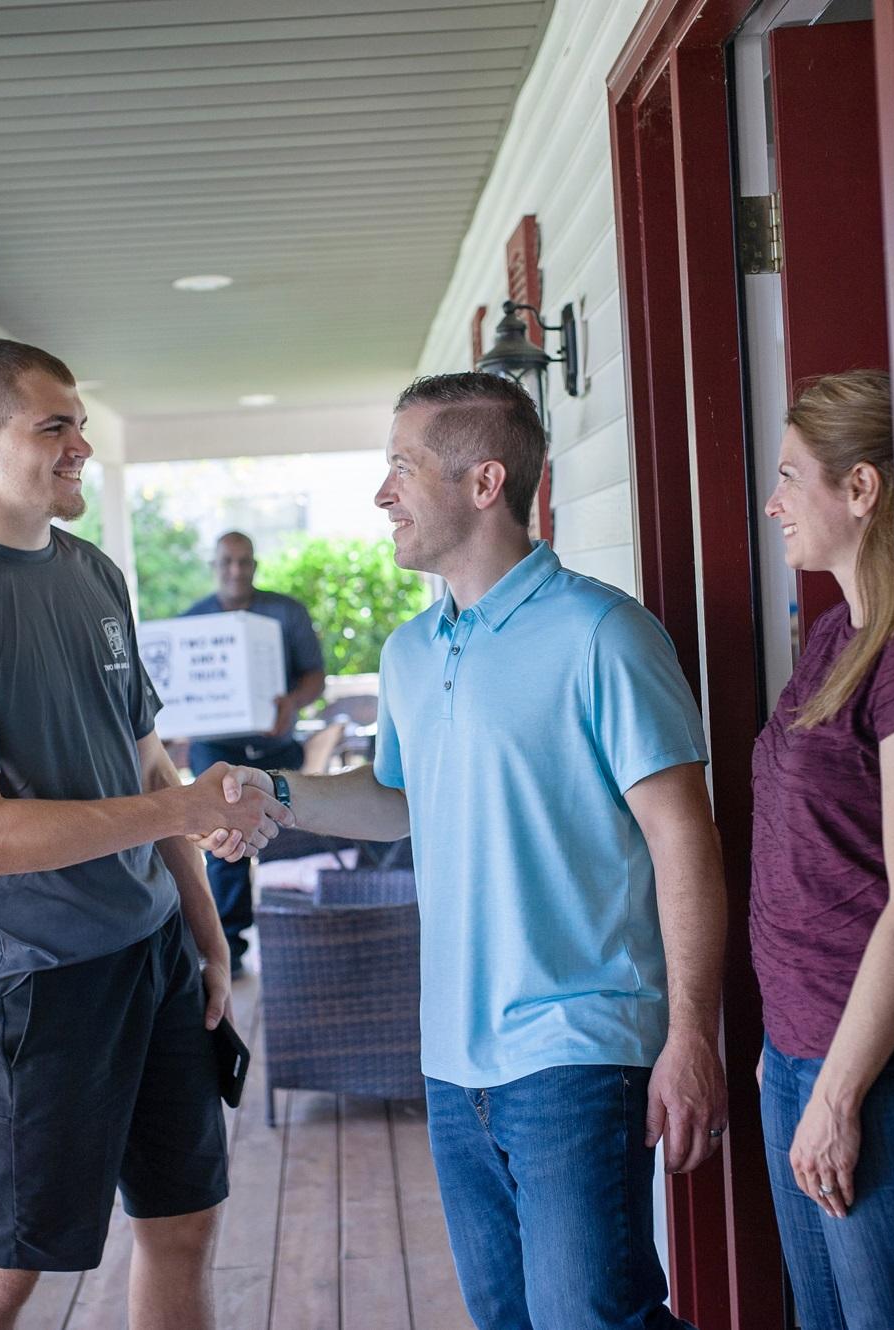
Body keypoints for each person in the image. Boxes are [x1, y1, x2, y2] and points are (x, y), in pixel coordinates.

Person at [216, 372, 729, 1329]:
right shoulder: (411, 652)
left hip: (579, 1045)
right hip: (452, 1057)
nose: (382, 496)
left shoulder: (604, 635)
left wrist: (693, 1035)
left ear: (483, 481)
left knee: (591, 1318)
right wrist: (272, 794)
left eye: (400, 470)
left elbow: (684, 841)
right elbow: (397, 804)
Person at [0, 339, 286, 1330]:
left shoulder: (94, 572)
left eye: (79, 424)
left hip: (155, 961)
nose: (80, 446)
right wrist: (183, 810)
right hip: (41, 981)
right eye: (53, 426)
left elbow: (146, 765)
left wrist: (206, 937)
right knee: (2, 1273)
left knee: (184, 1223)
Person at [753, 369, 894, 1328]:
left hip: (870, 1069)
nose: (774, 503)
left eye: (791, 477)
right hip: (796, 1050)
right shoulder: (833, 634)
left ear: (859, 490)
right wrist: (788, 1064)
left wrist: (838, 1095)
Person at [179, 531, 325, 973]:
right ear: (215, 565)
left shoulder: (287, 612)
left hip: (275, 745)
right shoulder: (192, 622)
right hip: (216, 750)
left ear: (255, 565)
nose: (236, 570)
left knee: (290, 829)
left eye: (244, 561)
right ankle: (230, 946)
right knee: (225, 839)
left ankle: (299, 929)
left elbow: (315, 676)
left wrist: (292, 703)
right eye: (227, 561)